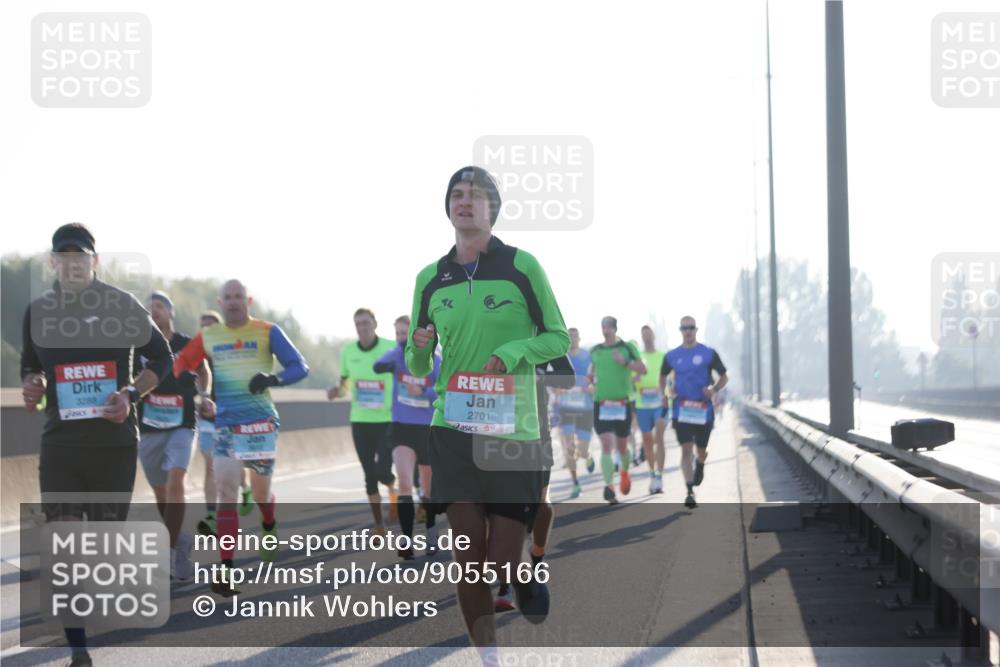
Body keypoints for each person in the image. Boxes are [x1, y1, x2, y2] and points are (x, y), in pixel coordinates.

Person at [406, 166, 569, 659]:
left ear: (492, 208)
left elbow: (557, 337)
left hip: (513, 430)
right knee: (468, 560)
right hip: (452, 425)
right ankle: (488, 657)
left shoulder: (522, 266)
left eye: (475, 195)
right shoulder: (430, 279)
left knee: (498, 564)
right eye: (457, 194)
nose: (465, 201)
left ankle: (520, 574)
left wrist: (516, 351)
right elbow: (419, 364)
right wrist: (418, 347)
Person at [21, 223, 173, 667]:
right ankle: (79, 650)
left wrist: (130, 394)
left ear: (95, 261)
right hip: (62, 447)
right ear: (53, 262)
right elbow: (31, 369)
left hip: (113, 446)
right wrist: (33, 385)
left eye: (80, 256)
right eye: (64, 256)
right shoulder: (38, 311)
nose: (72, 263)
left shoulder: (120, 304)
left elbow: (162, 358)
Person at [174, 279, 309, 596]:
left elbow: (300, 366)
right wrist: (181, 382)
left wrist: (273, 378)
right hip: (226, 425)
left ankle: (268, 522)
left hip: (260, 423)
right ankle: (226, 570)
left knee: (261, 494)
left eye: (239, 297)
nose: (233, 302)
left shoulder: (267, 331)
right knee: (226, 491)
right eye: (228, 298)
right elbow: (183, 362)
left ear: (248, 301)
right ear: (221, 303)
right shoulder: (210, 336)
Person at [137, 291, 209, 580]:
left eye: (159, 307)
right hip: (150, 426)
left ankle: (167, 552)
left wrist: (204, 395)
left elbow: (203, 371)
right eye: (149, 308)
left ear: (170, 311)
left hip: (183, 422)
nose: (154, 311)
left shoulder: (185, 343)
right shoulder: (140, 345)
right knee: (160, 491)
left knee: (176, 479)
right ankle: (179, 540)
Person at [496, 354, 574, 612]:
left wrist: (539, 377)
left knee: (542, 506)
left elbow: (568, 378)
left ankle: (537, 558)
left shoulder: (544, 342)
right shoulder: (490, 337)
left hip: (537, 432)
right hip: (498, 433)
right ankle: (506, 584)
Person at [372, 315, 441, 559]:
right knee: (404, 483)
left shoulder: (435, 359)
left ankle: (431, 533)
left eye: (405, 333)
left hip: (427, 428)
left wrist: (423, 389)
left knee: (428, 487)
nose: (401, 338)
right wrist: (387, 364)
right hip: (402, 427)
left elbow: (445, 390)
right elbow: (377, 365)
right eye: (398, 333)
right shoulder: (397, 354)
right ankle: (406, 540)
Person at [328, 308, 397, 535]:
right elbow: (345, 384)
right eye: (358, 324)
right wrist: (336, 392)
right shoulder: (348, 351)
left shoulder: (390, 347)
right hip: (360, 420)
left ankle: (392, 488)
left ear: (375, 324)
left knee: (382, 472)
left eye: (366, 323)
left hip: (387, 420)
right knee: (369, 474)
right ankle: (379, 525)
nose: (362, 328)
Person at [195, 310, 255, 538]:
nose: (206, 331)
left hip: (231, 418)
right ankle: (211, 516)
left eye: (211, 326)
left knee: (234, 462)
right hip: (207, 420)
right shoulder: (196, 355)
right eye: (203, 326)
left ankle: (246, 488)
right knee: (210, 465)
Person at [659, 316, 728, 509]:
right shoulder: (672, 356)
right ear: (680, 331)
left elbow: (724, 377)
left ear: (696, 330)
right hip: (681, 410)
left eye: (690, 328)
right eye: (684, 328)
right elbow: (662, 376)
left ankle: (701, 463)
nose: (687, 331)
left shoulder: (708, 353)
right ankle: (689, 490)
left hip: (703, 410)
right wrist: (663, 394)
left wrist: (713, 389)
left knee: (700, 450)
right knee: (686, 449)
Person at [589, 317, 646, 505]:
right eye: (602, 326)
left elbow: (642, 369)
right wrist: (589, 380)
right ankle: (609, 487)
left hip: (622, 404)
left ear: (614, 329)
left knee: (622, 447)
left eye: (608, 327)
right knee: (606, 444)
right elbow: (591, 373)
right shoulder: (596, 350)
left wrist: (625, 363)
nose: (605, 330)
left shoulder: (627, 348)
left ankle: (624, 473)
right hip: (602, 403)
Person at [555, 328, 595, 498]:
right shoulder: (561, 358)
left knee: (582, 450)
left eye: (574, 336)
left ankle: (588, 456)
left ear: (579, 337)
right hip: (567, 408)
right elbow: (554, 382)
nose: (572, 339)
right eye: (569, 336)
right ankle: (575, 483)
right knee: (569, 446)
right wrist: (557, 388)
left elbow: (596, 380)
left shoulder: (588, 356)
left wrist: (591, 388)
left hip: (585, 408)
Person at [633, 325, 667, 494]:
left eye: (649, 334)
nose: (646, 337)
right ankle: (653, 474)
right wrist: (635, 379)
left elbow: (670, 377)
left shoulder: (662, 356)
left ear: (654, 335)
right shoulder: (637, 356)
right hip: (642, 405)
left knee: (659, 437)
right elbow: (630, 379)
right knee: (647, 441)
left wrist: (666, 392)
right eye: (643, 334)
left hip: (659, 404)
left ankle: (660, 476)